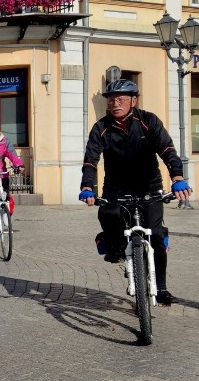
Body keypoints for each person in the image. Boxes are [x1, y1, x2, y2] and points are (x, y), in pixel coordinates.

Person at [79, 79, 192, 306]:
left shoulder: (148, 120)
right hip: (116, 186)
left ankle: (161, 289)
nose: (115, 103)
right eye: (111, 100)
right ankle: (117, 247)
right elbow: (91, 159)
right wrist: (87, 186)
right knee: (107, 214)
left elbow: (167, 149)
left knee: (157, 236)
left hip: (148, 184)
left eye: (121, 99)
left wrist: (177, 177)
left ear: (133, 100)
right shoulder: (101, 127)